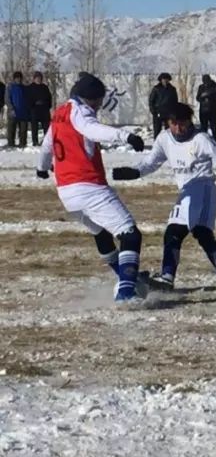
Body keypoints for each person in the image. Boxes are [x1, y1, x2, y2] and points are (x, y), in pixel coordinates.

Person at [113, 102, 216, 290]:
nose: (178, 128)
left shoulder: (201, 139)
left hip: (203, 189)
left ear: (189, 121)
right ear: (168, 123)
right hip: (188, 191)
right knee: (188, 234)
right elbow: (150, 162)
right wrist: (133, 172)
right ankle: (200, 279)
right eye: (173, 123)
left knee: (188, 233)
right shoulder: (164, 139)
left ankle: (186, 279)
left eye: (182, 123)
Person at [35, 73, 148, 302]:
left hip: (66, 192)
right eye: (98, 100)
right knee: (130, 234)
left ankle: (126, 277)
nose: (98, 105)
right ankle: (126, 292)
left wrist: (42, 167)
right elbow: (93, 129)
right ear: (91, 98)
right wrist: (126, 136)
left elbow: (47, 144)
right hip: (88, 185)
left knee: (101, 232)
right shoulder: (81, 112)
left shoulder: (59, 113)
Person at [148, 73, 179, 138]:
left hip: (168, 113)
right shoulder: (156, 88)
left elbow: (175, 101)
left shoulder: (172, 89)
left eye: (166, 79)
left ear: (169, 80)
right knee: (157, 130)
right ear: (161, 80)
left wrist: (174, 112)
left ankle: (168, 145)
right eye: (163, 79)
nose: (165, 81)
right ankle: (156, 144)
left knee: (169, 131)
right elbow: (151, 100)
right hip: (158, 112)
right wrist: (153, 111)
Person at [28, 71, 53, 147]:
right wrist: (32, 105)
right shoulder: (30, 87)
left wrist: (48, 105)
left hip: (44, 109)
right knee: (34, 127)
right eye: (37, 78)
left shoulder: (44, 87)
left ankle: (46, 141)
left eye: (40, 78)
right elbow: (28, 98)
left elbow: (49, 97)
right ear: (34, 78)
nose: (38, 79)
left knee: (46, 126)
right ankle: (35, 142)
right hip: (34, 109)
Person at [195, 74, 216, 142]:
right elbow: (198, 98)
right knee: (203, 128)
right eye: (204, 82)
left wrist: (210, 95)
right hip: (203, 110)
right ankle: (204, 142)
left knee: (214, 128)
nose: (206, 84)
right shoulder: (201, 87)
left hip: (212, 110)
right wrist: (203, 96)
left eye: (207, 82)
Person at [5, 71, 29, 148]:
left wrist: (27, 109)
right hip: (13, 112)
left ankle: (22, 144)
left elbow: (27, 99)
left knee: (23, 130)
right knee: (11, 129)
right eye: (17, 78)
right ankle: (11, 144)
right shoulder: (10, 87)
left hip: (23, 112)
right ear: (14, 79)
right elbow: (7, 99)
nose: (18, 79)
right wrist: (11, 108)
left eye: (19, 78)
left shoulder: (24, 88)